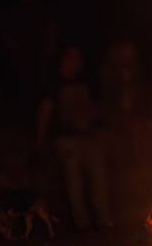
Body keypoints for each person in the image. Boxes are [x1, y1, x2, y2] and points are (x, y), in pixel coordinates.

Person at [37, 45, 112, 232]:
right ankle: (83, 225)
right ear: (65, 60)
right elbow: (45, 111)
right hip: (66, 140)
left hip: (88, 137)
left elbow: (96, 108)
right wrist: (41, 139)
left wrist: (98, 125)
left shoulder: (85, 81)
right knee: (74, 183)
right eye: (73, 58)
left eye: (79, 58)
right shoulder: (54, 83)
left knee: (99, 180)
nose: (77, 63)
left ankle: (105, 223)